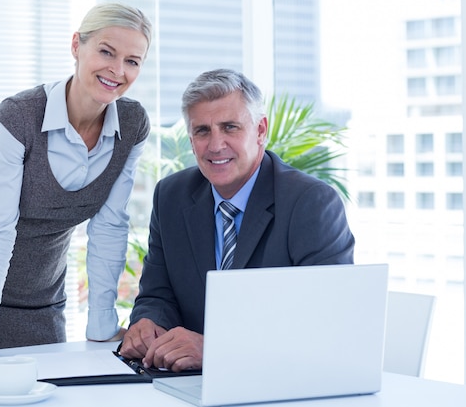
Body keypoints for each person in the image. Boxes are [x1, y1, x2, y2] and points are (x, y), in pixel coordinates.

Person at [0, 2, 153, 365]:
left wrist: (102, 324)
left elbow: (109, 225)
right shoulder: (20, 117)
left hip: (42, 294)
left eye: (132, 61)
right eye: (106, 51)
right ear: (77, 45)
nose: (117, 70)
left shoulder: (133, 124)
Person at [119, 68, 355, 372]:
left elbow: (326, 320)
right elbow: (157, 293)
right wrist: (147, 322)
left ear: (260, 130)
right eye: (202, 131)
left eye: (230, 127)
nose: (215, 145)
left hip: (281, 382)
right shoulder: (171, 196)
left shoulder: (311, 203)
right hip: (186, 384)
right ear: (191, 139)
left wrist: (218, 350)